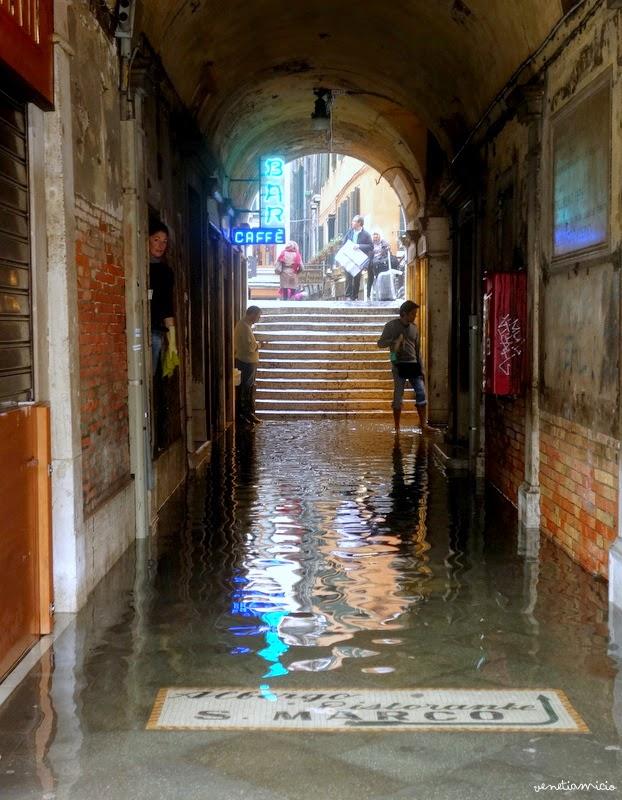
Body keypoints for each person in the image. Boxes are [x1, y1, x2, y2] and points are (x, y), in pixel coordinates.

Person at [377, 300, 439, 435]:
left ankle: (423, 425)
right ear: (404, 314)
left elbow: (418, 350)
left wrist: (421, 367)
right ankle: (397, 427)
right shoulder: (391, 326)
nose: (414, 316)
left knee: (421, 393)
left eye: (415, 314)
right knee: (398, 396)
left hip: (413, 364)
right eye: (412, 314)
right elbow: (380, 343)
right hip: (398, 364)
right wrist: (394, 341)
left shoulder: (414, 328)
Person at [148, 220, 176, 376]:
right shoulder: (138, 266)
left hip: (156, 332)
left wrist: (172, 341)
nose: (160, 245)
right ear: (147, 239)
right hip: (133, 330)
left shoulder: (166, 272)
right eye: (156, 239)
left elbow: (167, 306)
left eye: (164, 242)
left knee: (150, 376)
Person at [234, 305, 262, 425]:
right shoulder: (244, 327)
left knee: (247, 387)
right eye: (258, 316)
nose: (258, 319)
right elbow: (250, 347)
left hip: (248, 362)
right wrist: (259, 345)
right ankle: (244, 414)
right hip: (246, 362)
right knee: (245, 388)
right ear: (252, 314)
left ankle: (247, 414)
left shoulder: (245, 326)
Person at [342, 215, 373, 301]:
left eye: (354, 221)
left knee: (356, 278)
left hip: (359, 259)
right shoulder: (349, 232)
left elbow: (371, 246)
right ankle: (348, 296)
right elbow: (343, 243)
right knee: (348, 276)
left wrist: (359, 246)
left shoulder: (366, 234)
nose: (352, 223)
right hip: (349, 258)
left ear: (359, 223)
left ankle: (354, 296)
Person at [368, 230, 391, 299]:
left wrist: (387, 249)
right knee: (370, 279)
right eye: (374, 238)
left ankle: (383, 294)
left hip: (382, 263)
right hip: (371, 263)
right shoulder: (370, 244)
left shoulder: (384, 243)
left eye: (377, 237)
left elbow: (388, 252)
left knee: (381, 278)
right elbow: (368, 253)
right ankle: (368, 295)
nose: (375, 239)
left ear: (379, 237)